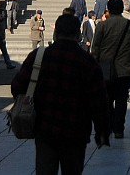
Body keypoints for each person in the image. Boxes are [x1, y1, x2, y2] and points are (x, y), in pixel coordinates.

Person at [11, 13, 110, 175]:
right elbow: (98, 100)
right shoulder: (87, 61)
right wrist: (102, 131)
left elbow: (17, 87)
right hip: (75, 130)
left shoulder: (38, 57)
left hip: (44, 128)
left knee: (45, 170)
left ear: (55, 33)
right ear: (78, 35)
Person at [91, 0, 130, 139]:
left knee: (107, 99)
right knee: (121, 99)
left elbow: (95, 49)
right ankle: (119, 128)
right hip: (125, 69)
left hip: (105, 68)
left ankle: (110, 124)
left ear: (109, 9)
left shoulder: (101, 26)